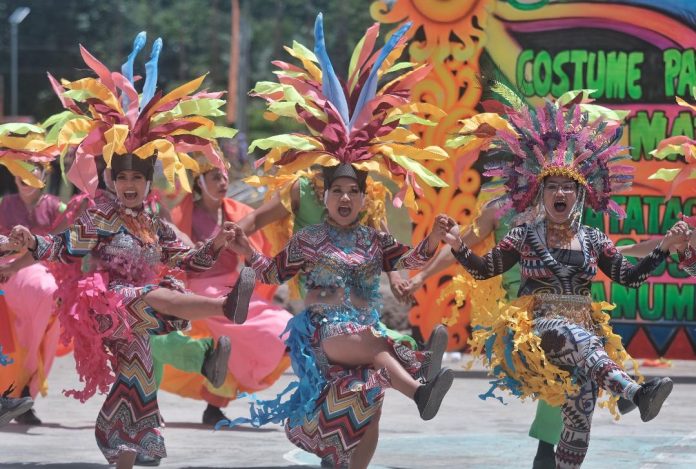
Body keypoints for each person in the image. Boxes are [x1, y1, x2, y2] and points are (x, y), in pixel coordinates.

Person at [5, 34, 251, 469]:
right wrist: (31, 243)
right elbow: (64, 247)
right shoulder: (101, 215)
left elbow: (188, 260)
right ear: (112, 180)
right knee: (146, 299)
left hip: (142, 316)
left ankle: (122, 445)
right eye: (123, 178)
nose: (131, 184)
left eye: (139, 177)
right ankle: (223, 307)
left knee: (138, 385)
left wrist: (218, 242)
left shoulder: (154, 220)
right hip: (106, 305)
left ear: (148, 181)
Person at [219, 14, 454, 468]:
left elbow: (410, 258)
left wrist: (436, 236)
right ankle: (421, 385)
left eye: (353, 192)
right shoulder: (307, 239)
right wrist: (244, 248)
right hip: (324, 332)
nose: (345, 198)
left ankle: (409, 381)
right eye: (337, 191)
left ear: (363, 198)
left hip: (365, 329)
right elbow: (270, 273)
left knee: (368, 415)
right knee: (376, 341)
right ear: (322, 196)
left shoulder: (374, 237)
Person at [442, 89, 681, 468]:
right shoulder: (523, 235)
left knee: (578, 423)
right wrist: (458, 246)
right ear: (540, 193)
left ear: (579, 195)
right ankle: (635, 393)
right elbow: (486, 269)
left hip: (586, 343)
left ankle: (614, 406)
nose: (559, 192)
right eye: (551, 185)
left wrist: (663, 249)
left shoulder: (594, 239)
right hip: (538, 333)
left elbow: (628, 276)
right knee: (572, 334)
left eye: (567, 186)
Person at [151, 153, 292, 427]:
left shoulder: (237, 213)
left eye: (225, 175)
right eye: (216, 176)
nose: (223, 181)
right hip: (194, 292)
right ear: (199, 182)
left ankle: (213, 406)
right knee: (167, 341)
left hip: (233, 289)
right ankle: (149, 406)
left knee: (281, 327)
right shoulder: (181, 214)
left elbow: (256, 252)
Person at [0, 123, 62, 425]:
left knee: (47, 330)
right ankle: (14, 392)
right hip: (9, 282)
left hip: (47, 288)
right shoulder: (3, 206)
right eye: (22, 167)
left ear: (44, 173)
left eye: (34, 167)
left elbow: (71, 246)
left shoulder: (57, 207)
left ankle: (25, 393)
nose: (28, 174)